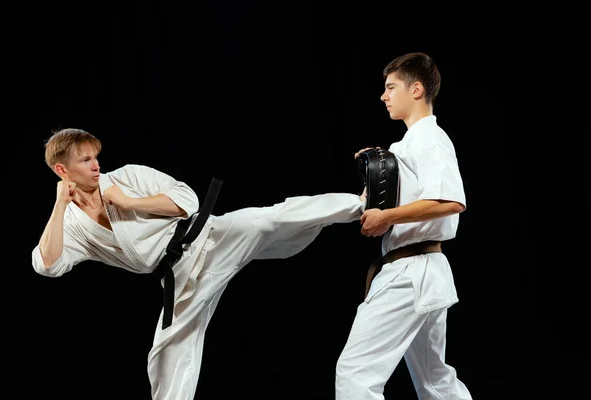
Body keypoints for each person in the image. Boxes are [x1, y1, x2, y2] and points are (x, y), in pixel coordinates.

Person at [31, 128, 367, 400]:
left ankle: (361, 204)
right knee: (167, 354)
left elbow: (185, 199)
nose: (95, 165)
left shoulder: (127, 177)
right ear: (62, 170)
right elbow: (47, 264)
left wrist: (130, 202)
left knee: (266, 220)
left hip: (207, 238)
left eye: (95, 157)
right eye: (85, 160)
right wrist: (60, 206)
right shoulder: (73, 224)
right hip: (179, 276)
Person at [335, 52, 473, 399]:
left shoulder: (430, 138)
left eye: (391, 87)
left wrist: (386, 217)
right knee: (435, 381)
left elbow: (450, 201)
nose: (384, 96)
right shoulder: (409, 143)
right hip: (422, 270)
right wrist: (381, 172)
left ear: (416, 89)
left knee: (355, 373)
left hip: (410, 271)